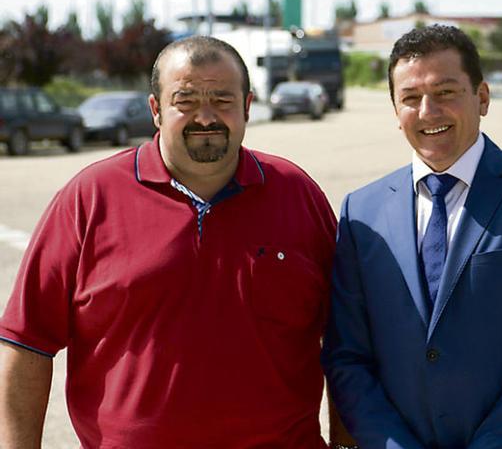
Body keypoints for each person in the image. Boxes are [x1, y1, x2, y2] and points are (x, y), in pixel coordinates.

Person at [0, 36, 337, 448]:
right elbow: (26, 343)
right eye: (187, 100)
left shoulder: (297, 194)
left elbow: (346, 341)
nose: (206, 116)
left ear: (248, 106)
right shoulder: (89, 199)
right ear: (156, 110)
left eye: (222, 100)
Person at [321, 25, 502, 449]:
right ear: (395, 111)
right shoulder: (362, 211)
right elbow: (348, 357)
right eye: (410, 98)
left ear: (482, 97)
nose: (428, 111)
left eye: (446, 92)